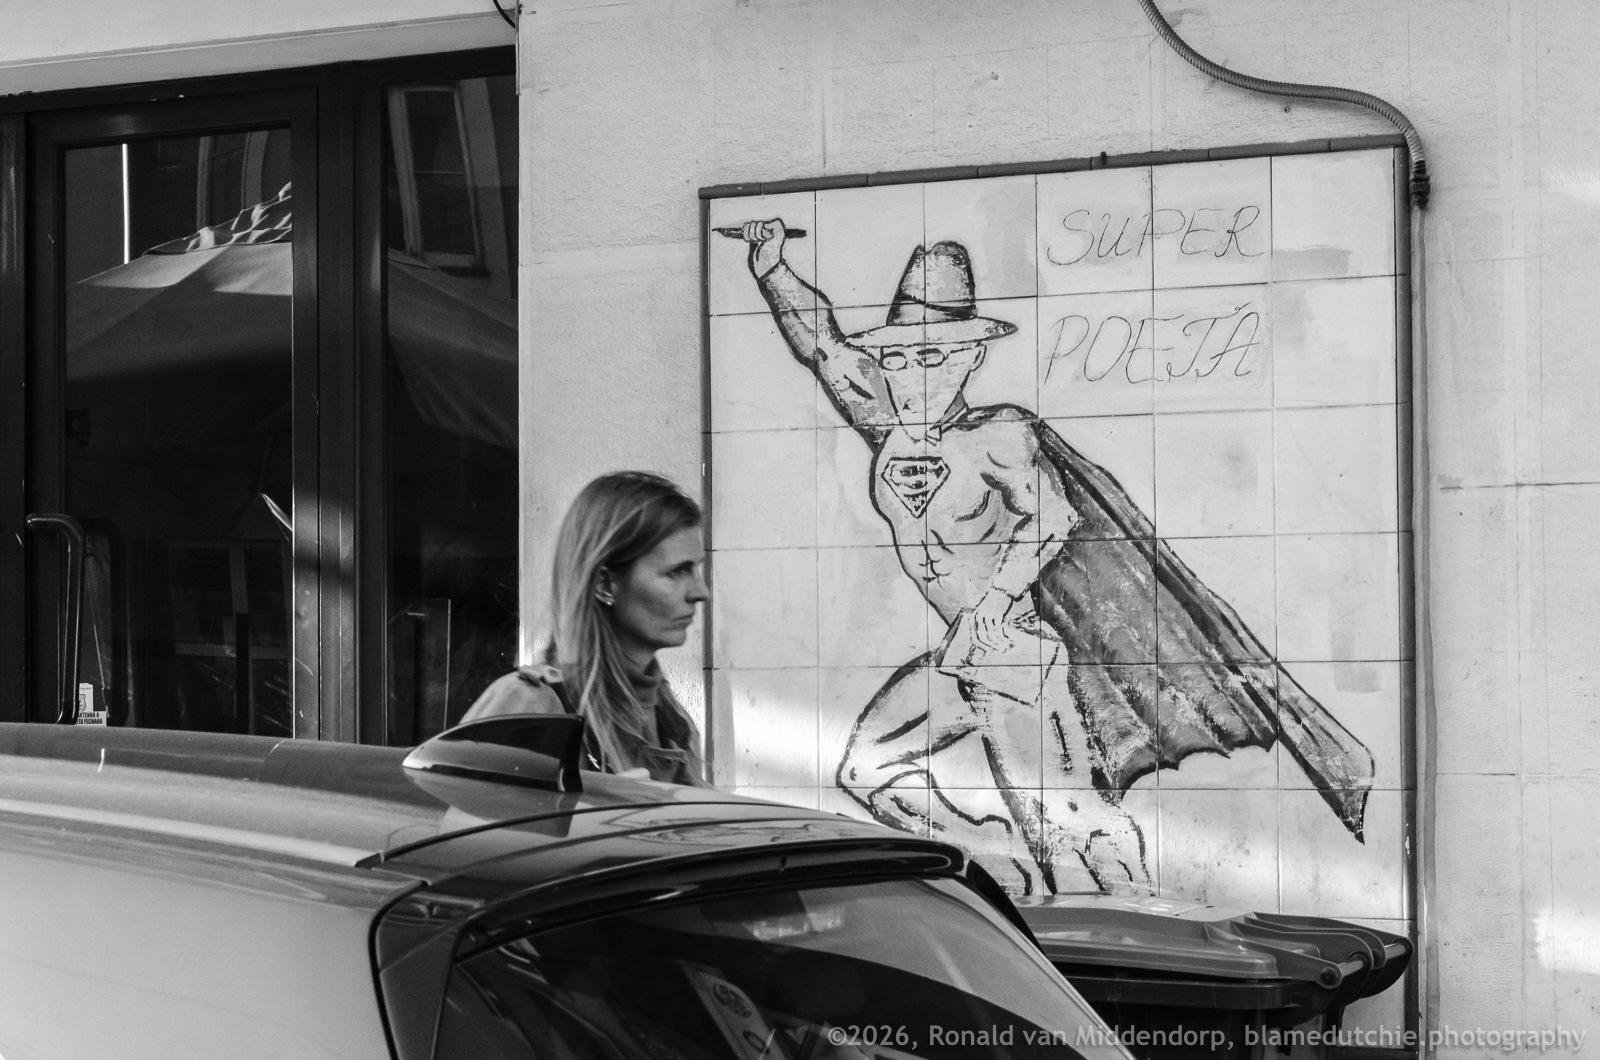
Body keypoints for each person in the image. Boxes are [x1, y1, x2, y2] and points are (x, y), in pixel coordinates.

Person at [736, 218, 1373, 894]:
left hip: (1016, 657)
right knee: (868, 769)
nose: (909, 375)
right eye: (895, 358)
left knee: (1067, 823)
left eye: (930, 357)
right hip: (963, 657)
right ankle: (993, 863)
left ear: (968, 360)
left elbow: (1054, 514)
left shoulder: (998, 435)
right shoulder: (886, 425)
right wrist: (771, 267)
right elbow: (821, 341)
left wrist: (997, 598)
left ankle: (1127, 923)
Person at [459, 471, 710, 786]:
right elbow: (460, 828)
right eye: (677, 571)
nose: (701, 592)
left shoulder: (671, 719)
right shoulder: (531, 706)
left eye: (697, 569)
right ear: (605, 583)